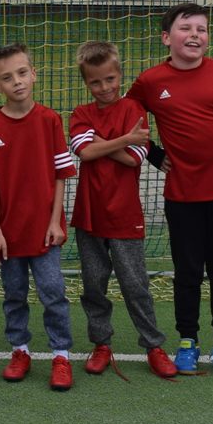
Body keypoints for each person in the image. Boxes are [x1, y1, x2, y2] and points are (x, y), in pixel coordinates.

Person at [127, 3, 213, 379]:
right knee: (187, 273)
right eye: (185, 28)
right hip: (183, 196)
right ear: (166, 37)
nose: (194, 35)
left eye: (201, 29)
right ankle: (188, 341)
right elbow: (125, 121)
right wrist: (155, 155)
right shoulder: (150, 81)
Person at [68, 41, 177, 380]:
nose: (104, 87)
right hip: (89, 217)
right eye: (95, 82)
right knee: (93, 286)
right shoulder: (80, 113)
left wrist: (101, 143)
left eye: (110, 79)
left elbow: (133, 159)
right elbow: (84, 153)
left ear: (119, 75)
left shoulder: (133, 110)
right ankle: (101, 344)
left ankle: (153, 345)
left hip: (125, 216)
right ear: (86, 83)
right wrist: (123, 139)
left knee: (135, 285)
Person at [0, 43, 77, 391]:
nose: (17, 82)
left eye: (22, 73)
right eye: (7, 78)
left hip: (44, 232)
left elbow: (61, 176)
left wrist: (55, 222)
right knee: (14, 294)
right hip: (9, 234)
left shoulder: (49, 120)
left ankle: (61, 355)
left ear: (34, 74)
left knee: (53, 292)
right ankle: (19, 351)